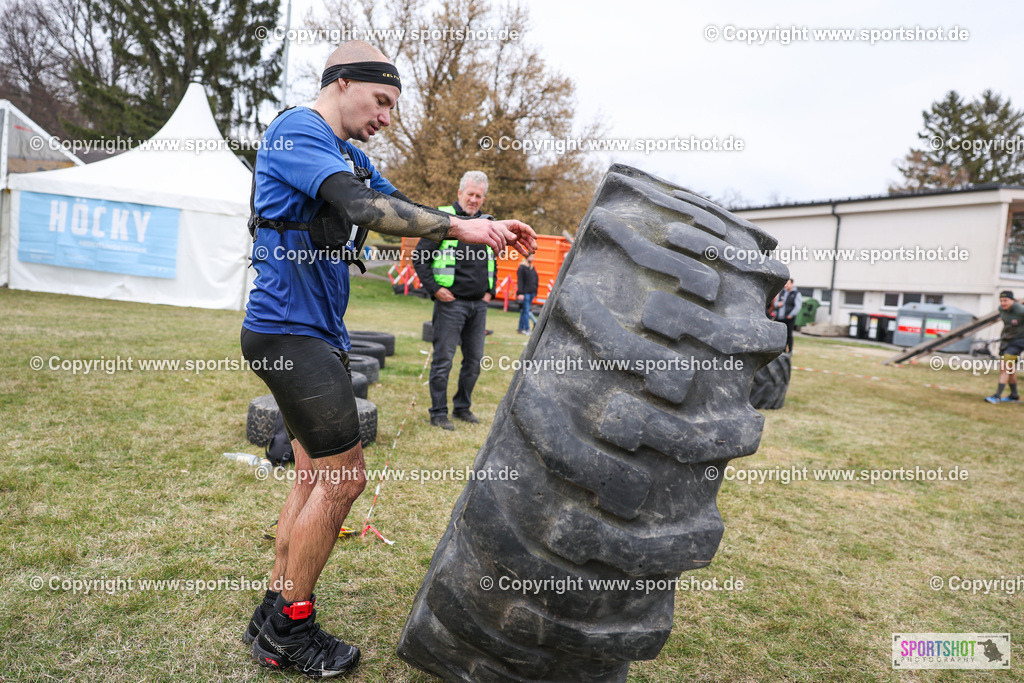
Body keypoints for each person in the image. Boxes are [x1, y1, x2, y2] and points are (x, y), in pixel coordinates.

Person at [239, 42, 535, 678]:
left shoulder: (350, 154)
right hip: (289, 334)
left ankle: (272, 611)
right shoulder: (298, 133)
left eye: (394, 107)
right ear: (342, 84)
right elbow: (364, 209)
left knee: (312, 475)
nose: (386, 116)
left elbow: (410, 211)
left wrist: (484, 223)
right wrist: (459, 230)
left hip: (310, 334)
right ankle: (293, 628)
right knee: (344, 478)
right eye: (381, 101)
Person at [413, 171, 498, 430]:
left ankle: (462, 407)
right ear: (460, 193)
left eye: (479, 196)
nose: (474, 199)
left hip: (478, 305)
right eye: (470, 194)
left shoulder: (487, 223)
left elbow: (495, 258)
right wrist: (435, 288)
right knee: (443, 360)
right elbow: (420, 258)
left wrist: (489, 291)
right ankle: (438, 413)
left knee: (474, 362)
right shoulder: (442, 220)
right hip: (450, 304)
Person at [985, 290, 1024, 403]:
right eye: (1001, 300)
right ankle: (1014, 396)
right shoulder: (1002, 309)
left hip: (1019, 342)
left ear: (1013, 300)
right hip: (1008, 341)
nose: (1003, 303)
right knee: (1010, 369)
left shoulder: (1020, 310)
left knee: (1005, 366)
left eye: (1006, 300)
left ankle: (997, 396)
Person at [774, 279, 801, 352]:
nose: (786, 285)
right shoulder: (782, 292)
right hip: (779, 317)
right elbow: (775, 303)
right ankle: (781, 350)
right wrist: (777, 304)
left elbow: (798, 306)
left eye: (788, 284)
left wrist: (791, 315)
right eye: (785, 284)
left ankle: (790, 350)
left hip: (789, 318)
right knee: (779, 334)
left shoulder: (796, 294)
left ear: (792, 284)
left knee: (788, 334)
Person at [516, 252, 539, 334]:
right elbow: (520, 281)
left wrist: (535, 290)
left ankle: (520, 329)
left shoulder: (532, 268)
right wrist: (520, 293)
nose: (533, 258)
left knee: (524, 311)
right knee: (526, 311)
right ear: (526, 257)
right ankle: (527, 329)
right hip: (525, 293)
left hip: (532, 293)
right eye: (532, 256)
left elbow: (535, 279)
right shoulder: (522, 268)